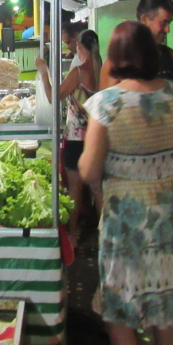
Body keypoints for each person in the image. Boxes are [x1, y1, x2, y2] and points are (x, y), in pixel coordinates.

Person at [78, 21, 173, 345]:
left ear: (115, 58)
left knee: (121, 318)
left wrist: (103, 180)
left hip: (126, 224)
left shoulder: (106, 104)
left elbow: (89, 170)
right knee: (168, 316)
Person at [34, 29, 102, 246]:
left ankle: (72, 235)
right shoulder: (104, 70)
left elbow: (54, 97)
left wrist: (44, 73)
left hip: (75, 138)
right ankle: (104, 236)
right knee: (98, 188)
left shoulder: (79, 71)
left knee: (75, 188)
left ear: (80, 48)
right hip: (98, 138)